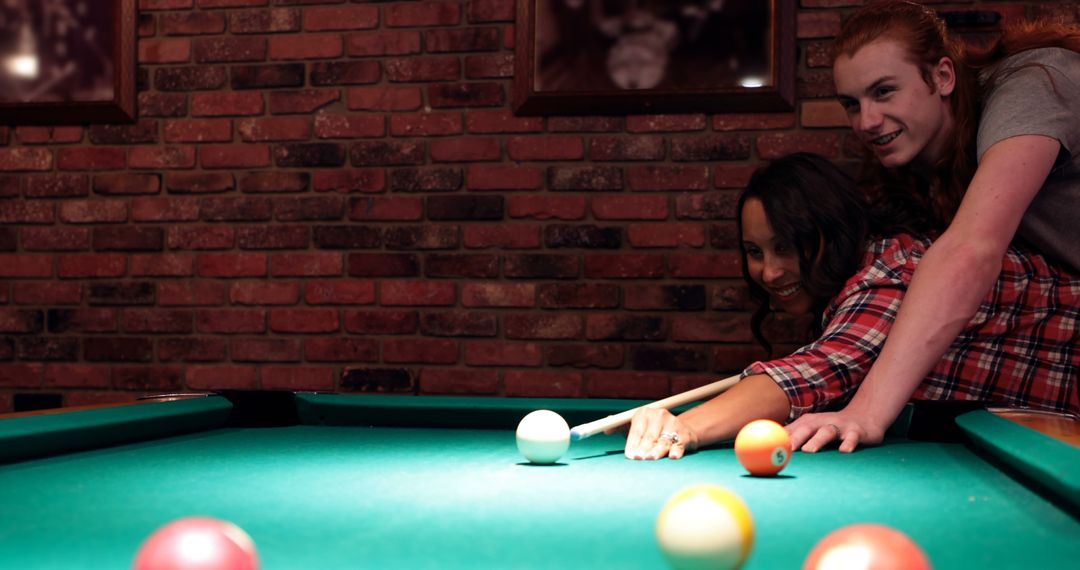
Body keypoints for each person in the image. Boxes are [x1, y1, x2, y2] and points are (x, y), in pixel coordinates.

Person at [622, 153, 1078, 461]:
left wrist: (688, 427)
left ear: (832, 231)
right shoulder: (871, 277)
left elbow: (820, 368)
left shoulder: (893, 272)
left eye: (786, 247)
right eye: (755, 251)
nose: (771, 272)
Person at [784, 0, 1080, 453]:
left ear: (942, 76)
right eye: (852, 103)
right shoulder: (926, 169)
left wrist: (866, 411)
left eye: (884, 92)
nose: (866, 121)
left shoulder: (1034, 83)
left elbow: (972, 248)